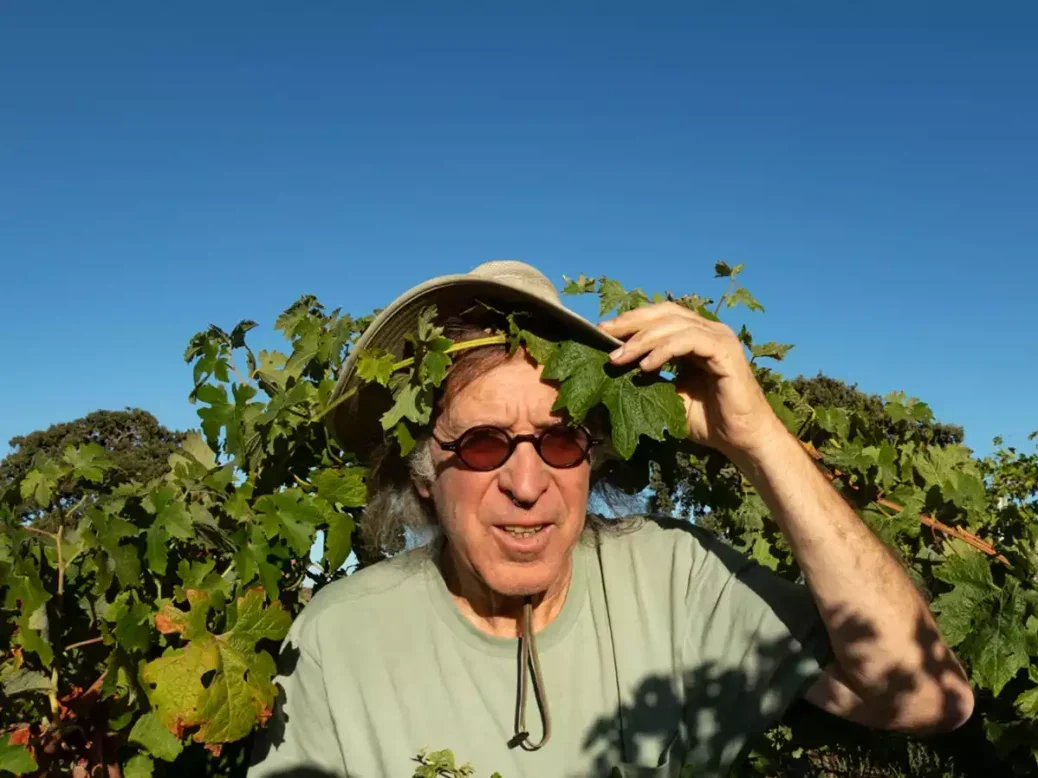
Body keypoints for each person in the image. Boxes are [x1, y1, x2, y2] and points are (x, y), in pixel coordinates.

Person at [247, 260, 973, 778]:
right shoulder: (340, 642)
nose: (528, 484)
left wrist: (759, 440)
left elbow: (925, 697)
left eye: (561, 440)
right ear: (424, 472)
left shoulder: (675, 581)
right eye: (482, 444)